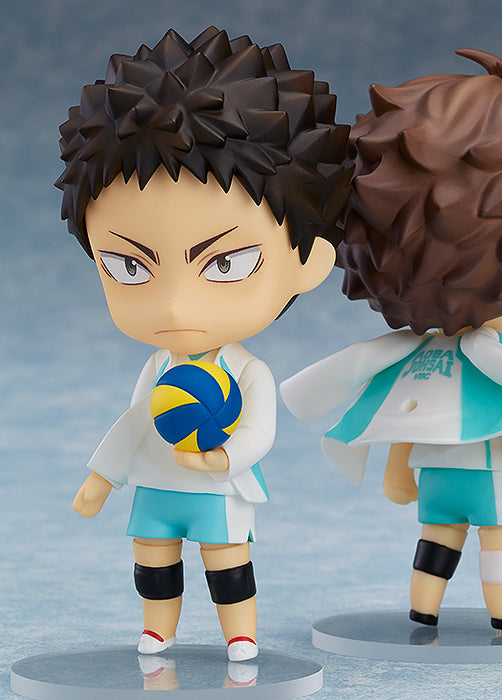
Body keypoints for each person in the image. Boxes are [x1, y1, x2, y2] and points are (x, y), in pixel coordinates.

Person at [57, 26, 352, 660]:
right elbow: (137, 420)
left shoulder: (248, 372)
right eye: (130, 266)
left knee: (227, 563)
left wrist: (222, 460)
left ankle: (240, 633)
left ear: (308, 261)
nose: (175, 305)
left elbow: (260, 432)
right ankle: (156, 628)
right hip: (156, 483)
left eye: (225, 264)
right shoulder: (157, 365)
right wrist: (102, 477)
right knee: (153, 560)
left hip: (219, 486)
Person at [281, 49, 502, 631]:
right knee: (495, 538)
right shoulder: (501, 358)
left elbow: (408, 410)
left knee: (439, 541)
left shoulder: (423, 357)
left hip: (444, 478)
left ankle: (447, 609)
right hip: (486, 479)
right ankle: (492, 614)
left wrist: (400, 466)